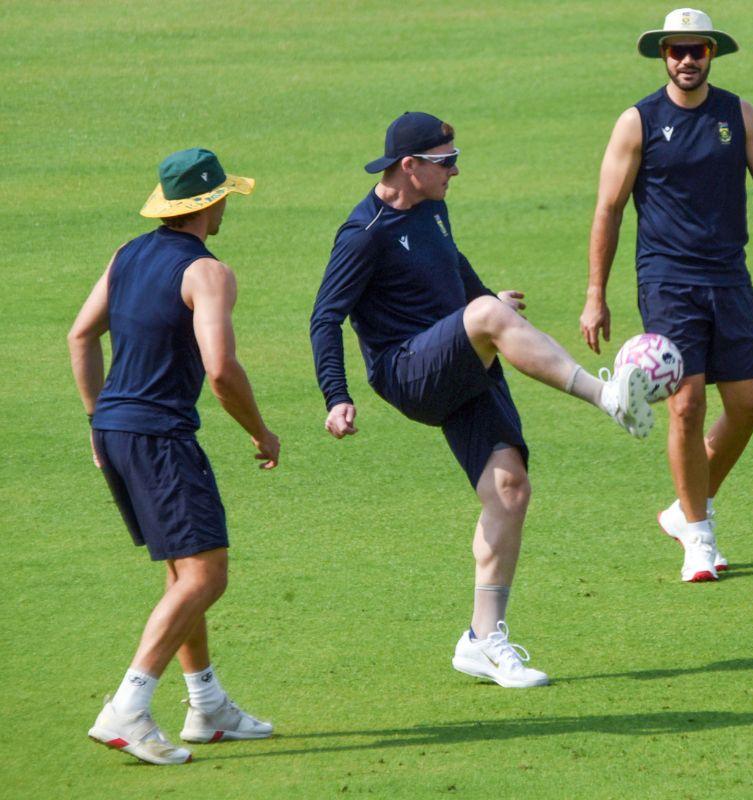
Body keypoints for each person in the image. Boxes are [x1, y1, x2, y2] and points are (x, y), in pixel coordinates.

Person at [310, 112, 653, 689]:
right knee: (487, 317)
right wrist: (335, 395)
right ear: (409, 166)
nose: (456, 170)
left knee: (510, 490)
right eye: (446, 162)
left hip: (459, 359)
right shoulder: (363, 234)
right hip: (408, 372)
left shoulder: (431, 208)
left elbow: (453, 266)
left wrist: (483, 297)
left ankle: (482, 639)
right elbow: (325, 317)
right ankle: (610, 397)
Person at [579, 8, 753, 583]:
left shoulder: (737, 115)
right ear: (663, 56)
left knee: (750, 406)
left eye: (698, 50)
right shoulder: (637, 122)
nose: (688, 60)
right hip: (667, 281)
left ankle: (682, 508)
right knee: (688, 405)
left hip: (729, 278)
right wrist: (595, 293)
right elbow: (609, 208)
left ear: (711, 54)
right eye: (677, 51)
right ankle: (699, 537)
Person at [69, 148, 279, 765]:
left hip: (116, 429)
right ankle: (127, 708)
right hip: (159, 437)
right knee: (207, 574)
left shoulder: (127, 255)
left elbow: (81, 334)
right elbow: (220, 370)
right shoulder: (208, 273)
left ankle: (206, 705)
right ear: (209, 203)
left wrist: (95, 417)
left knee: (182, 572)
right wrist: (261, 431)